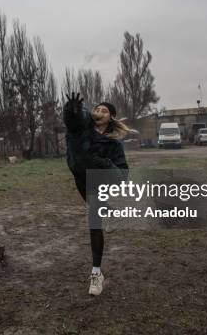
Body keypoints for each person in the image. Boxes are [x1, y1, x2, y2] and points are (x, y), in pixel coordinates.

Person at [63, 92, 130, 296]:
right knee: (96, 209)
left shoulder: (114, 144)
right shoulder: (82, 128)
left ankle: (96, 273)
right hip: (80, 178)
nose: (99, 112)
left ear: (111, 117)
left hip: (98, 183)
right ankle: (108, 211)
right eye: (97, 109)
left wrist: (104, 164)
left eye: (104, 110)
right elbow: (75, 119)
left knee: (94, 220)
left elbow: (123, 174)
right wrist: (71, 109)